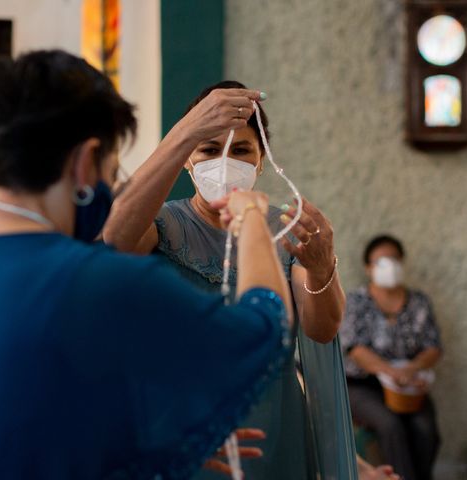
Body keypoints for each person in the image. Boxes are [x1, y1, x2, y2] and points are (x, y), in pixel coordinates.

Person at [0, 50, 294, 479]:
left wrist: (143, 449)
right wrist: (253, 217)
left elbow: (33, 412)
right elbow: (264, 332)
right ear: (87, 160)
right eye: (115, 165)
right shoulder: (96, 280)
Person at [104, 80, 372, 479]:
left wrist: (321, 267)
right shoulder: (161, 224)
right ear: (187, 159)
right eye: (209, 150)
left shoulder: (285, 227)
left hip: (275, 415)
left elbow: (323, 328)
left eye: (242, 150)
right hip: (184, 416)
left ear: (261, 159)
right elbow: (111, 242)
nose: (225, 161)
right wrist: (184, 131)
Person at [341, 235, 443, 480]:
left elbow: (433, 346)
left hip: (408, 386)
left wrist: (412, 370)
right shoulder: (356, 301)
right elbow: (354, 348)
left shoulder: (419, 302)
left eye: (394, 259)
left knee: (425, 429)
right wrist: (389, 372)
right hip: (363, 385)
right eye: (381, 260)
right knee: (390, 425)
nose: (390, 265)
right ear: (368, 268)